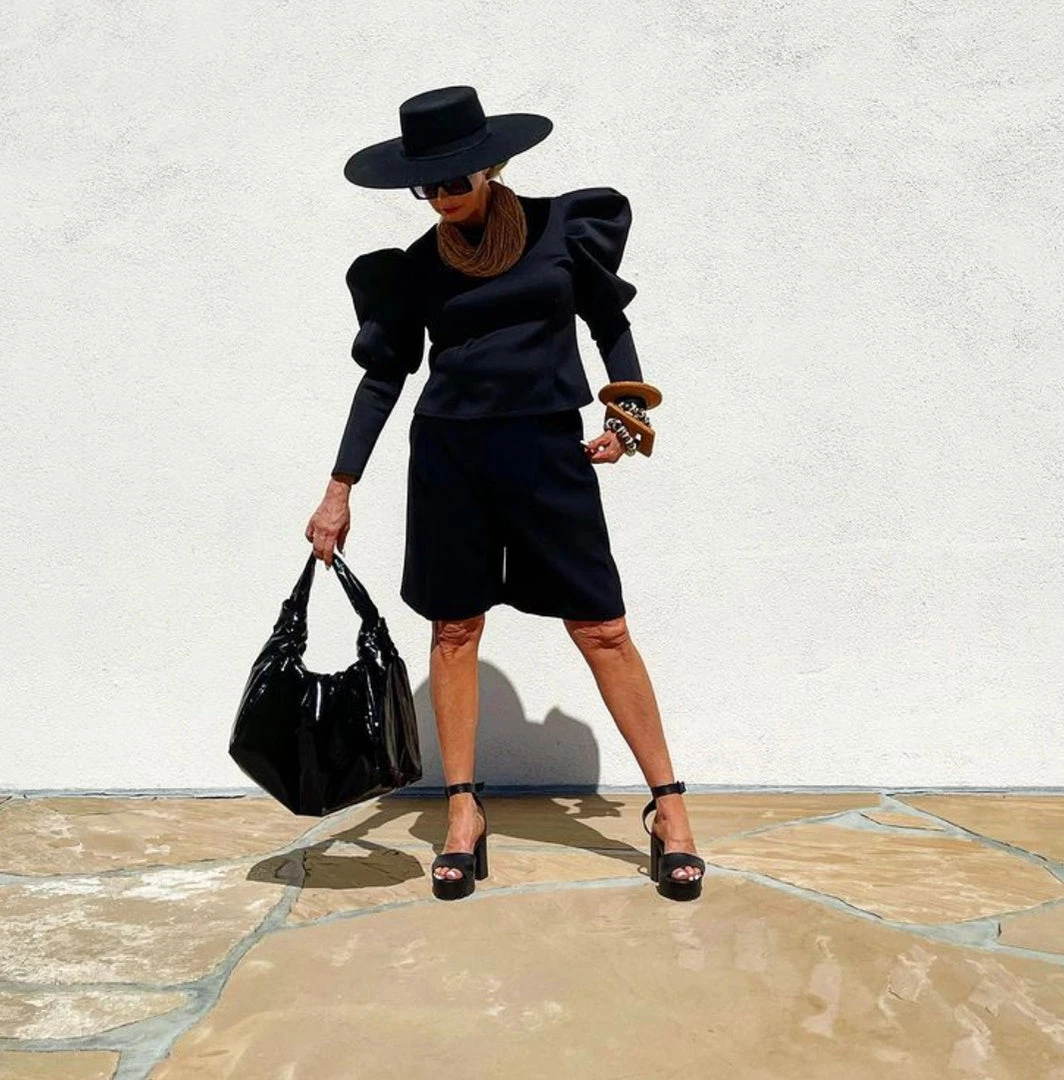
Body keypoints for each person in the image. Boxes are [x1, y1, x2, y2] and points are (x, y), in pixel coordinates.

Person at [305, 86, 704, 901]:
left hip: (546, 451)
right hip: (449, 456)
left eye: (456, 179)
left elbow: (608, 321)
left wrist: (625, 414)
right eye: (426, 185)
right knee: (454, 629)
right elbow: (384, 379)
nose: (442, 196)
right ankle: (463, 814)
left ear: (493, 166)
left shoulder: (563, 229)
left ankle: (670, 810)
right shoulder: (416, 268)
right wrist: (339, 489)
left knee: (603, 628)